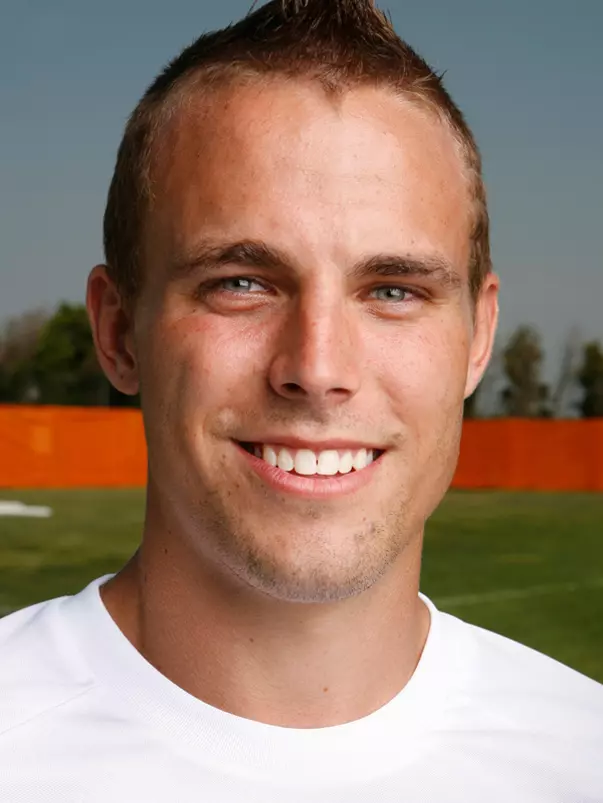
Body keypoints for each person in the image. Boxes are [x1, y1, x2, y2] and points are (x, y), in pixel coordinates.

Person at [1, 0, 601, 799]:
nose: (316, 368)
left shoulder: (579, 753)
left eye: (391, 289)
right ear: (118, 333)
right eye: (240, 283)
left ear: (478, 336)